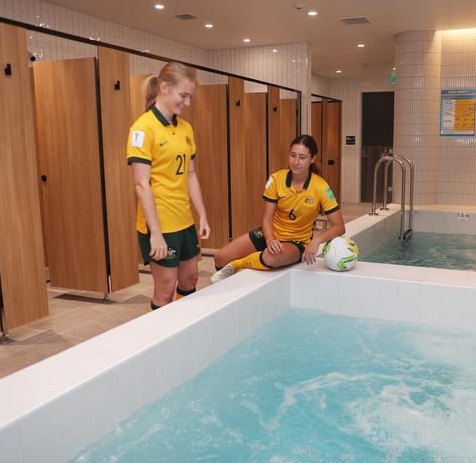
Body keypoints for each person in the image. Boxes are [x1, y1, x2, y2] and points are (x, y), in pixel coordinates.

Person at [126, 61, 210, 310]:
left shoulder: (185, 128)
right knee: (165, 287)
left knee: (190, 277)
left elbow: (190, 175)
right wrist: (155, 233)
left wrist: (202, 215)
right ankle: (163, 341)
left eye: (190, 96)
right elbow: (141, 184)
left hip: (184, 220)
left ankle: (184, 327)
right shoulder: (142, 129)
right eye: (183, 95)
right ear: (164, 87)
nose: (187, 102)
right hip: (160, 223)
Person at [211, 134, 344, 283]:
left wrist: (317, 240)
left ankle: (238, 264)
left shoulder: (321, 186)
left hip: (295, 243)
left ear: (312, 159)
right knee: (220, 258)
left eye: (302, 157)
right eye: (292, 155)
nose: (295, 162)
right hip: (270, 234)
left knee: (271, 257)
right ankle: (236, 285)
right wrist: (270, 239)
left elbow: (339, 226)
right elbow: (267, 218)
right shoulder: (276, 179)